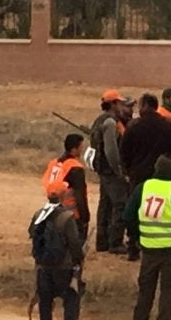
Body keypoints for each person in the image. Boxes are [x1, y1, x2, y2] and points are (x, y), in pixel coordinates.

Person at [125, 155, 171, 320]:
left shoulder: (143, 188)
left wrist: (137, 237)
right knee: (167, 294)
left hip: (148, 248)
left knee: (145, 292)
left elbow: (128, 215)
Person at [120, 93, 171, 260]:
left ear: (145, 106)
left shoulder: (134, 126)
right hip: (164, 176)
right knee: (162, 210)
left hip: (138, 176)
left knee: (136, 210)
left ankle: (133, 246)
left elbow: (123, 152)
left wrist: (128, 171)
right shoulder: (169, 126)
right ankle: (158, 244)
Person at [29, 180, 85, 320]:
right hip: (64, 267)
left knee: (45, 303)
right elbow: (74, 244)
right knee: (72, 298)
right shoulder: (67, 217)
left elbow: (32, 234)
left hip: (43, 266)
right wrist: (79, 260)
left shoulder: (38, 214)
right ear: (63, 194)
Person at [90, 89, 129, 255]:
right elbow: (111, 150)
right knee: (120, 203)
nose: (121, 106)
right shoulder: (111, 123)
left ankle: (102, 242)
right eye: (119, 102)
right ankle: (115, 242)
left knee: (104, 205)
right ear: (113, 104)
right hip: (110, 171)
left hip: (102, 169)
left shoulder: (99, 120)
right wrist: (119, 170)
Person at [41, 133, 90, 242]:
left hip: (52, 210)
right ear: (74, 149)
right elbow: (80, 196)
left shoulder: (54, 164)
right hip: (71, 214)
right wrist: (85, 217)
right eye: (81, 147)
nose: (82, 150)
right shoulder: (75, 168)